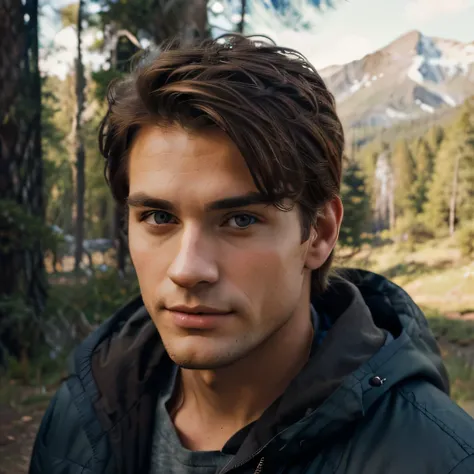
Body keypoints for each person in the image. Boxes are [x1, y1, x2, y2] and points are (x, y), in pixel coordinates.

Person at [29, 35, 474, 474]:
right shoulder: (83, 415)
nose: (187, 269)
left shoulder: (436, 457)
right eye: (159, 217)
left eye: (239, 220)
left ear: (319, 233)